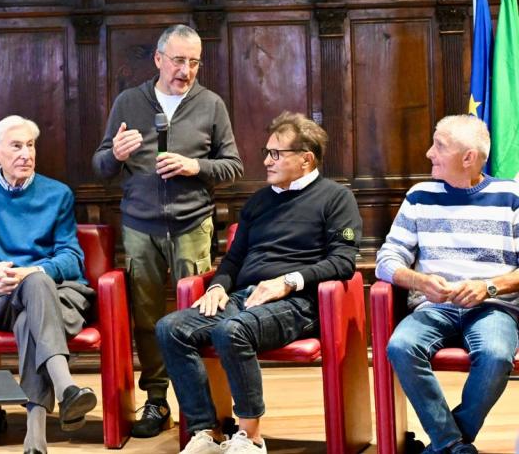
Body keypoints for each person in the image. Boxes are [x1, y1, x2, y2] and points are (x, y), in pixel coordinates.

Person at [155, 112, 360, 454]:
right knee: (170, 328)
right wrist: (218, 286)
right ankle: (208, 431)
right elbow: (233, 260)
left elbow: (343, 263)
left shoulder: (336, 198)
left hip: (298, 302)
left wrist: (287, 282)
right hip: (243, 297)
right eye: (267, 152)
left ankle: (250, 436)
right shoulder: (259, 201)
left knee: (231, 331)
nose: (266, 161)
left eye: (276, 154)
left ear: (306, 159)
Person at [92, 23, 243, 437]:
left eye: (194, 62)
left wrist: (197, 166)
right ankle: (157, 401)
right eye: (179, 60)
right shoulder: (129, 102)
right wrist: (114, 155)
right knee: (145, 319)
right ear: (158, 59)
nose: (186, 70)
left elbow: (233, 165)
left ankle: (201, 407)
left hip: (193, 224)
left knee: (196, 318)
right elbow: (101, 166)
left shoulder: (211, 104)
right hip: (140, 227)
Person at [376, 115, 519, 454]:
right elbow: (387, 259)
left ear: (468, 157)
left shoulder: (511, 197)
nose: (429, 153)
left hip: (493, 307)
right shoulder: (419, 196)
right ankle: (452, 443)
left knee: (497, 355)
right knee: (400, 347)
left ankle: (447, 442)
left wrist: (490, 287)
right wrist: (418, 280)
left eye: (439, 146)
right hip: (433, 306)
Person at [0, 115, 97, 454]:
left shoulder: (57, 194)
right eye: (16, 146)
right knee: (31, 292)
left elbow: (71, 257)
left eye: (31, 145)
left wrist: (31, 272)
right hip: (5, 295)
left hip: (63, 297)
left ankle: (35, 437)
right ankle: (66, 388)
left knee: (32, 307)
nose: (26, 154)